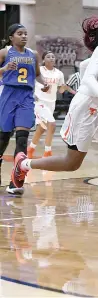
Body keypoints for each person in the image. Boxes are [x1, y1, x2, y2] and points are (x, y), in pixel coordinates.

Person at [11, 9, 98, 213]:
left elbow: (87, 66)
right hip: (87, 108)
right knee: (72, 163)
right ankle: (24, 165)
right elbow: (88, 78)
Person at [0, 23, 49, 195]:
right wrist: (4, 68)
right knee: (3, 138)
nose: (23, 36)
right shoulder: (5, 53)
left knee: (22, 139)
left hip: (26, 98)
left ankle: (16, 182)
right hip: (8, 95)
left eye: (25, 33)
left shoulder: (33, 54)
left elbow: (36, 75)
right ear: (11, 37)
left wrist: (44, 83)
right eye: (19, 33)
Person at [28, 51, 76, 158]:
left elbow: (61, 91)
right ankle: (47, 152)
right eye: (48, 57)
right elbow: (30, 82)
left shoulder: (59, 73)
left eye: (53, 57)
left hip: (51, 103)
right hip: (39, 101)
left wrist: (68, 88)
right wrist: (32, 94)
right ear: (43, 60)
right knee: (52, 125)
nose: (51, 58)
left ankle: (30, 148)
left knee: (42, 129)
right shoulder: (39, 70)